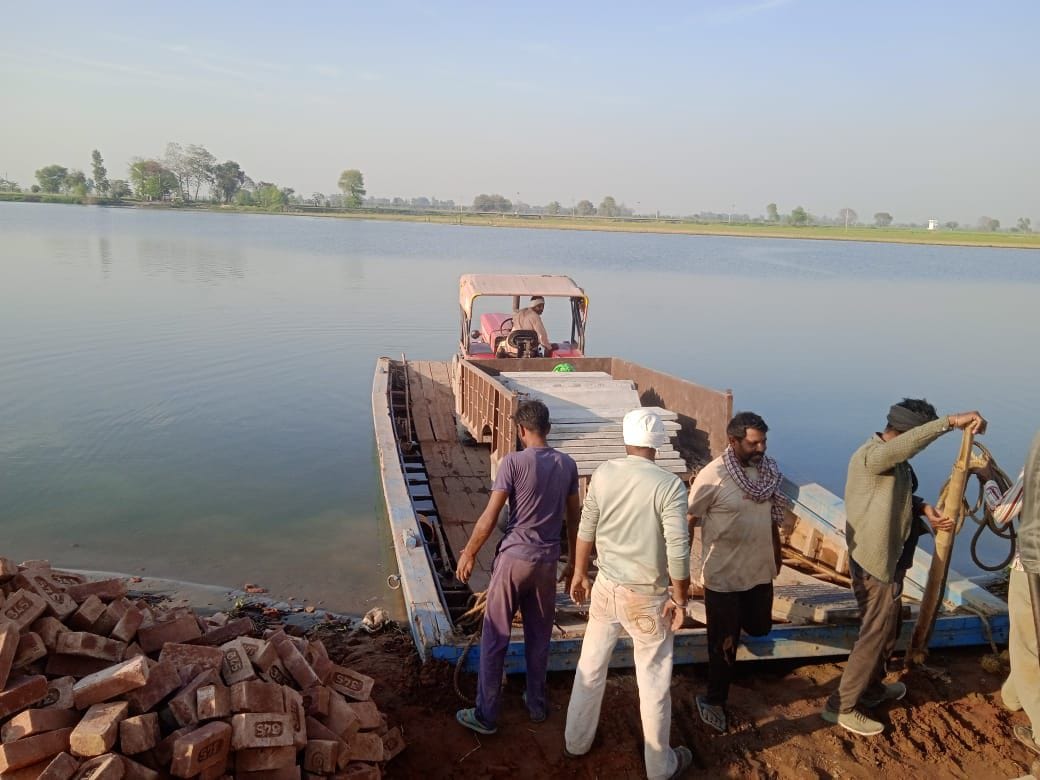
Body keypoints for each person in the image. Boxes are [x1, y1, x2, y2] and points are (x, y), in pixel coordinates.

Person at [822, 399, 986, 736]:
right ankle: (840, 707)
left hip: (892, 559)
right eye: (917, 438)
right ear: (907, 434)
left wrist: (923, 507)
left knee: (890, 627)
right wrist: (950, 422)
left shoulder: (895, 464)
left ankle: (870, 690)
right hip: (874, 564)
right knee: (874, 634)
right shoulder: (873, 456)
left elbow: (897, 495)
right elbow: (905, 447)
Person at [564, 408, 693, 780]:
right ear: (658, 445)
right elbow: (678, 551)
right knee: (652, 683)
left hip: (606, 587)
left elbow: (586, 527)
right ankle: (659, 766)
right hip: (648, 598)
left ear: (625, 440)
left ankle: (576, 742)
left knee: (590, 667)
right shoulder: (670, 486)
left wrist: (579, 573)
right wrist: (680, 599)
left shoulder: (604, 473)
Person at [455, 399, 580, 735]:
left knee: (495, 636)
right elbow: (575, 520)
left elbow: (490, 516)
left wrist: (468, 552)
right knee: (539, 637)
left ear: (521, 431)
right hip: (547, 562)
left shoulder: (512, 463)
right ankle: (536, 705)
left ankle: (486, 715)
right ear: (548, 429)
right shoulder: (568, 465)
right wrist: (575, 565)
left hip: (514, 560)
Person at [687, 411, 786, 734]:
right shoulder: (712, 476)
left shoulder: (766, 473)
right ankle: (714, 700)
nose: (761, 449)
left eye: (764, 442)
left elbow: (771, 516)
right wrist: (682, 566)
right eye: (754, 443)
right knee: (724, 644)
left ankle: (728, 647)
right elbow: (689, 518)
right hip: (724, 577)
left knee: (759, 628)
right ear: (733, 441)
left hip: (759, 570)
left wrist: (777, 550)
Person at [976, 431, 1040, 758]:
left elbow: (1002, 513)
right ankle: (1014, 696)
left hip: (1031, 568)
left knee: (1027, 646)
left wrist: (988, 479)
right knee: (1027, 640)